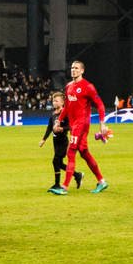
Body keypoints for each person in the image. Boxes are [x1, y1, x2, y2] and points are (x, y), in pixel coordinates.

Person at [55, 59, 109, 194]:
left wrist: (102, 123)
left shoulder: (88, 86)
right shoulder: (68, 86)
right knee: (84, 153)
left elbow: (100, 104)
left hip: (82, 124)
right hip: (74, 125)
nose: (73, 70)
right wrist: (58, 120)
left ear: (82, 71)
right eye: (72, 68)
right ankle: (101, 181)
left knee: (71, 152)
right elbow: (67, 107)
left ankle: (64, 187)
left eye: (76, 68)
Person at [39, 92, 76, 192]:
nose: (54, 103)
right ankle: (77, 175)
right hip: (55, 141)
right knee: (59, 163)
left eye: (56, 101)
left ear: (62, 102)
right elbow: (49, 127)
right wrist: (43, 139)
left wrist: (62, 129)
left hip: (63, 141)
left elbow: (71, 126)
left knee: (55, 161)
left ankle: (57, 184)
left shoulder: (65, 113)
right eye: (53, 101)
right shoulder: (53, 114)